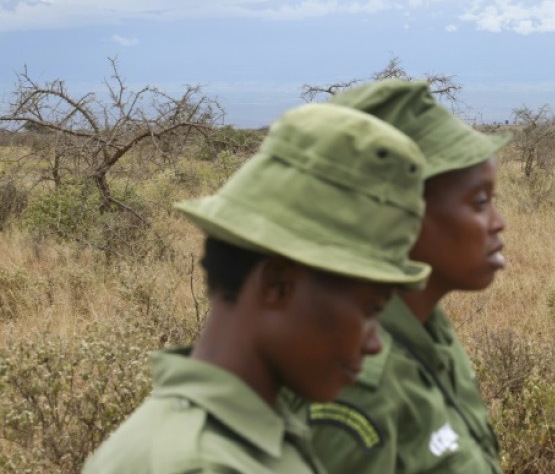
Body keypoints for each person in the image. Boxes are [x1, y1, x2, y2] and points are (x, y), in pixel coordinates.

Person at [82, 102, 431, 474]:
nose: (374, 342)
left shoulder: (253, 440)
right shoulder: (199, 464)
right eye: (370, 309)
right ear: (278, 284)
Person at [296, 80, 511, 474]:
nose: (498, 223)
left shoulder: (428, 328)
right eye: (479, 202)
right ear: (398, 215)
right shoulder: (354, 385)